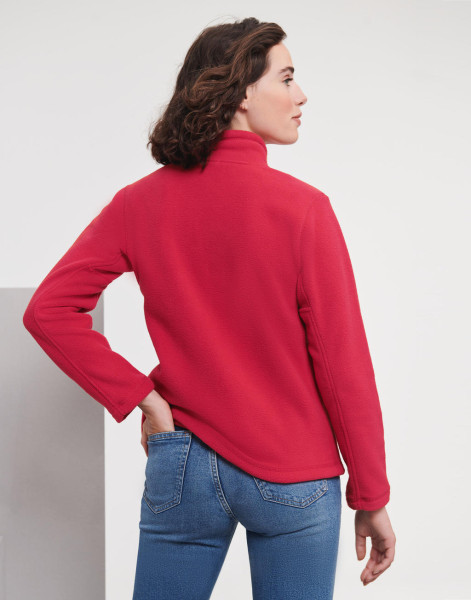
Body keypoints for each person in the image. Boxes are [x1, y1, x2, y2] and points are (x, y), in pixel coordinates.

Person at [23, 16, 396, 600]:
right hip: (293, 469)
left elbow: (48, 311)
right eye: (287, 78)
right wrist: (371, 495)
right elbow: (342, 363)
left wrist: (144, 397)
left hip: (185, 461)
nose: (301, 95)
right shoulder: (303, 210)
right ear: (242, 91)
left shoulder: (138, 204)